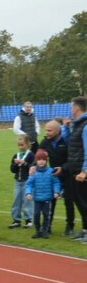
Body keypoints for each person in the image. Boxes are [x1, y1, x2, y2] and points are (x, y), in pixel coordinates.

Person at [39, 120, 74, 235]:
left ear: (58, 131)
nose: (47, 132)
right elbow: (38, 155)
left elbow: (72, 159)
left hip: (68, 175)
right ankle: (47, 226)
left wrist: (63, 168)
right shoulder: (45, 141)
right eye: (46, 130)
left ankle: (70, 226)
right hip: (54, 176)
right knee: (50, 201)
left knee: (68, 201)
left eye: (50, 130)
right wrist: (34, 166)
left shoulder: (66, 141)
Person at [64, 96, 87, 242]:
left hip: (81, 169)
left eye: (71, 106)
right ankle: (85, 229)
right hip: (75, 167)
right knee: (78, 200)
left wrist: (84, 170)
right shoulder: (76, 124)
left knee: (85, 201)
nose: (70, 109)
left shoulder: (85, 125)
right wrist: (67, 128)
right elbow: (70, 143)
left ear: (76, 107)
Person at [25, 150, 61, 239]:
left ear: (46, 161)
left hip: (47, 199)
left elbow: (56, 183)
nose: (41, 161)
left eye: (43, 159)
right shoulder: (33, 173)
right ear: (36, 161)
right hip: (37, 199)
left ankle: (45, 231)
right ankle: (38, 231)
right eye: (39, 159)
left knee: (46, 215)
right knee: (36, 215)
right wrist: (28, 193)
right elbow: (29, 184)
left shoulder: (51, 171)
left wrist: (56, 192)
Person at [9, 135, 35, 229]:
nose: (20, 147)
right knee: (16, 200)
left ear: (27, 144)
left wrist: (24, 163)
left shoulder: (31, 155)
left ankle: (28, 220)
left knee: (27, 200)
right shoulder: (16, 155)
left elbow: (32, 167)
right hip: (17, 181)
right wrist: (16, 164)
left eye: (22, 145)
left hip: (27, 181)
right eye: (19, 145)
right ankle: (16, 220)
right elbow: (12, 170)